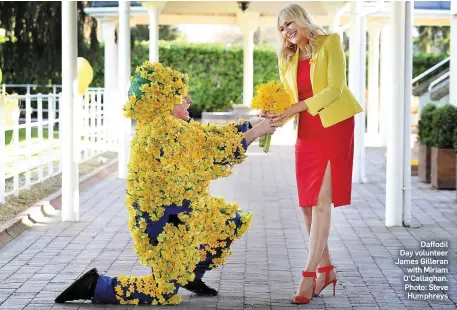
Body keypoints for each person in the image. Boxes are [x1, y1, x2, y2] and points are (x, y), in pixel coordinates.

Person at [55, 61, 276, 305]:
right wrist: (256, 131)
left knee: (229, 221)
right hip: (166, 222)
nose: (188, 100)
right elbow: (216, 150)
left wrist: (256, 123)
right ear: (163, 102)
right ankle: (95, 285)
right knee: (162, 292)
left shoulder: (166, 125)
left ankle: (188, 274)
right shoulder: (167, 130)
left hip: (185, 210)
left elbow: (211, 136)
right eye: (181, 96)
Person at [272, 4, 363, 305]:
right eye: (282, 29)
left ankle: (308, 275)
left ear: (301, 19)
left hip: (333, 125)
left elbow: (335, 90)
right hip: (307, 130)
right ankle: (327, 270)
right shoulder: (288, 57)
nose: (286, 32)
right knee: (307, 205)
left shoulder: (330, 43)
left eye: (288, 24)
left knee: (322, 203)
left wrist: (294, 108)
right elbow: (289, 98)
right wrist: (274, 113)